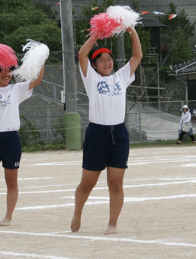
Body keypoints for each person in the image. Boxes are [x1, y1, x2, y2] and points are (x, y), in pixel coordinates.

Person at [71, 26, 142, 235]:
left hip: (119, 134)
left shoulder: (121, 77)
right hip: (97, 134)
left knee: (116, 183)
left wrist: (131, 30)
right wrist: (95, 35)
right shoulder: (91, 78)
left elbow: (137, 55)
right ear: (94, 65)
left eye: (108, 58)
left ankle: (112, 224)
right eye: (101, 60)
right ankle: (77, 213)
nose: (106, 62)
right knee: (87, 183)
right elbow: (81, 54)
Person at [0, 48, 44, 227]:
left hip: (10, 140)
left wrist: (41, 59)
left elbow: (37, 80)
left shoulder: (16, 89)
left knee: (11, 181)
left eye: (9, 70)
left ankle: (8, 216)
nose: (6, 74)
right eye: (2, 70)